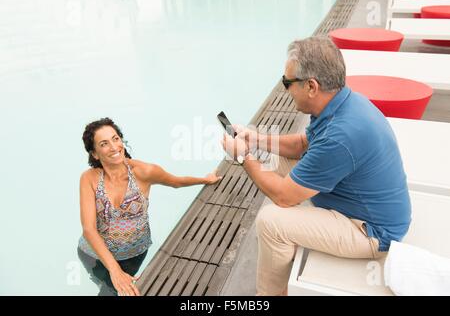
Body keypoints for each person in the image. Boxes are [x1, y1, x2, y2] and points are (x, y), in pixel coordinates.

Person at [221, 36, 411, 296]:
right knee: (275, 161)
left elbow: (283, 197)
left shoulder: (340, 135)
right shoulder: (339, 103)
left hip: (370, 231)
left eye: (287, 82)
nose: (285, 89)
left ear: (311, 86)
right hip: (357, 201)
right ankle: (288, 246)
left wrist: (243, 157)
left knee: (271, 221)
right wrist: (255, 140)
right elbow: (302, 144)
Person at [78, 117, 221, 296]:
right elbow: (89, 229)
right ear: (95, 153)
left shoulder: (144, 172)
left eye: (116, 139)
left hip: (132, 255)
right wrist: (114, 270)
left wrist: (204, 179)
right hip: (93, 255)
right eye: (104, 143)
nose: (114, 147)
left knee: (115, 291)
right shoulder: (89, 178)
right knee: (106, 287)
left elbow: (175, 182)